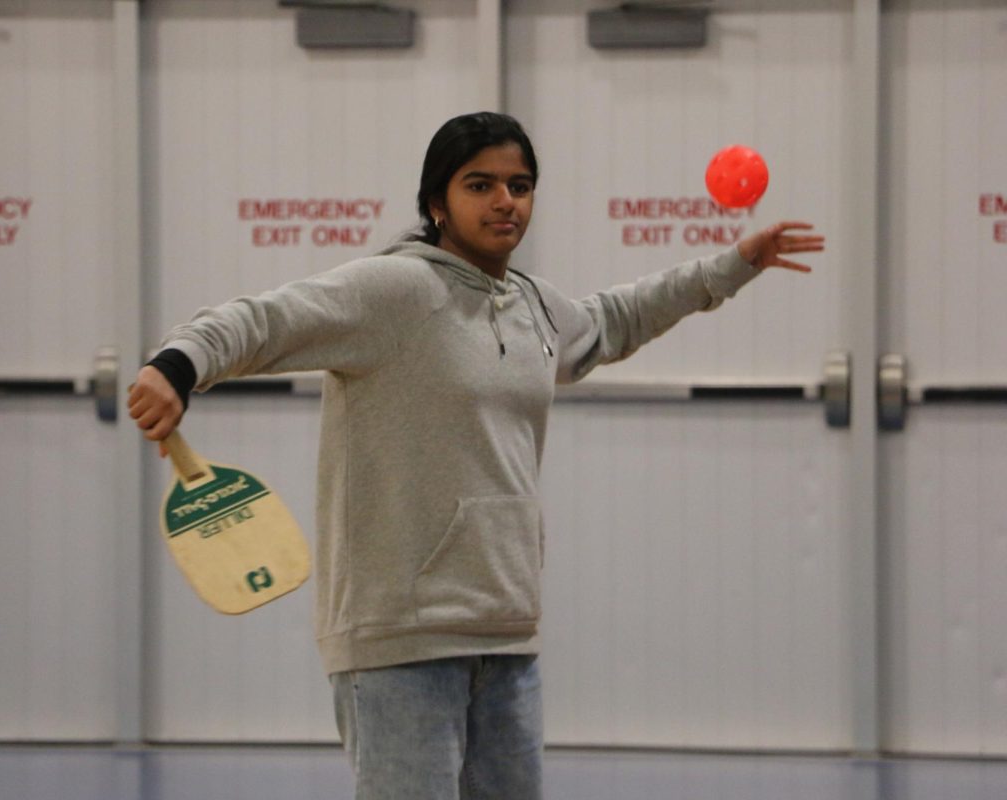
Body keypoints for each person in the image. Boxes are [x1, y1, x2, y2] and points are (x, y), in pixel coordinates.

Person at [128, 111, 824, 800]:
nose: (504, 202)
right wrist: (178, 366)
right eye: (480, 184)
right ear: (437, 203)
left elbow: (615, 319)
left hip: (506, 635)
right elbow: (264, 320)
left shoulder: (531, 306)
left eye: (519, 186)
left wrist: (732, 267)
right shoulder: (393, 290)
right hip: (399, 639)